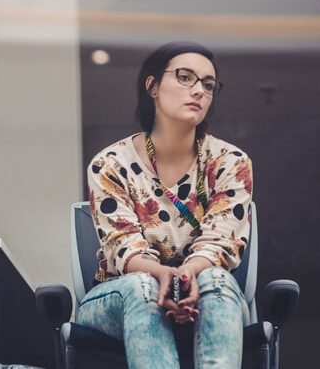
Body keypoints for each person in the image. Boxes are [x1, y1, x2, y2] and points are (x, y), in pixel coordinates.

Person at [78, 41, 253, 368]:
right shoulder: (110, 164)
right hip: (121, 296)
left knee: (216, 279)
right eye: (185, 77)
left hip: (205, 292)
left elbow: (221, 241)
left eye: (208, 84)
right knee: (144, 286)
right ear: (153, 86)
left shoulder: (230, 162)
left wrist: (187, 273)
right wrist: (163, 276)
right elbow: (124, 250)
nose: (198, 90)